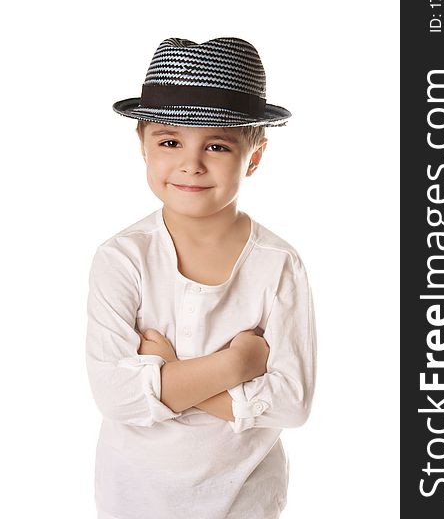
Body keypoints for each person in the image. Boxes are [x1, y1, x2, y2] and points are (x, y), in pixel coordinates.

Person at [86, 36, 317, 519]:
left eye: (217, 145)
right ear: (144, 147)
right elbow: (117, 396)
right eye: (170, 142)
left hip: (245, 499)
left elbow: (292, 404)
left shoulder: (277, 264)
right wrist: (234, 368)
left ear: (253, 156)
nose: (191, 163)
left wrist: (170, 373)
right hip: (134, 498)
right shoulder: (122, 258)